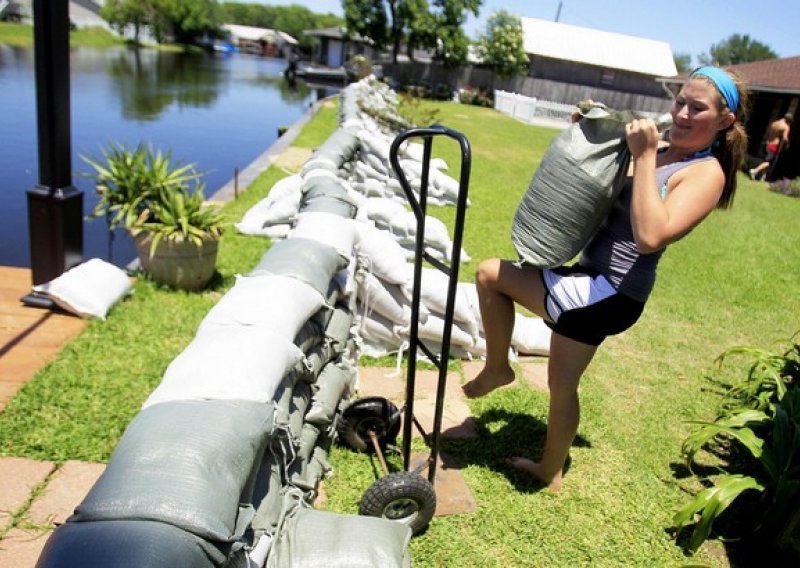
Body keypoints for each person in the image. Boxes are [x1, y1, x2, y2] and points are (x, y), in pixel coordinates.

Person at [462, 66, 749, 492]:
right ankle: (550, 471)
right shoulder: (662, 148)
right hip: (591, 277)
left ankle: (498, 367)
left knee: (490, 274)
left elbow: (651, 236)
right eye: (680, 102)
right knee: (562, 384)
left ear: (724, 122)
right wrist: (592, 132)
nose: (683, 113)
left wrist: (647, 156)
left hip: (611, 291)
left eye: (697, 108)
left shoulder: (706, 173)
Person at [749, 113, 792, 180]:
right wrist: (787, 144)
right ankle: (754, 171)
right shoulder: (786, 126)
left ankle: (762, 177)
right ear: (789, 120)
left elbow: (768, 132)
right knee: (769, 162)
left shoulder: (774, 123)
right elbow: (784, 138)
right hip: (774, 146)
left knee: (766, 160)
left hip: (767, 143)